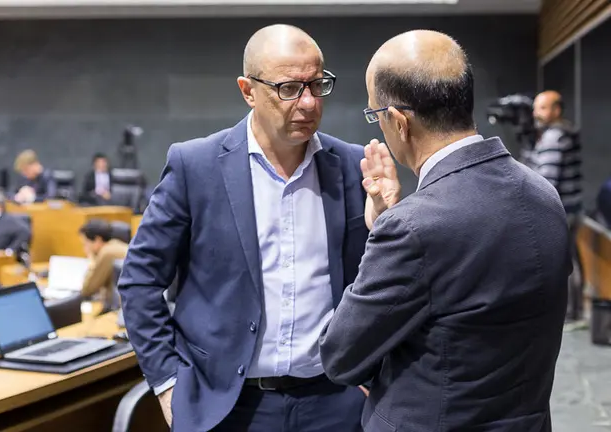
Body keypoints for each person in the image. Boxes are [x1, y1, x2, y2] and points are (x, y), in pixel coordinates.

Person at [119, 24, 392, 432]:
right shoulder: (196, 166)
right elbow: (139, 282)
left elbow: (379, 286)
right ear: (248, 90)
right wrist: (168, 383)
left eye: (317, 85)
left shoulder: (354, 166)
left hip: (335, 402)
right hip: (228, 406)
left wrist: (387, 223)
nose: (308, 102)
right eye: (289, 88)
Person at [319, 30, 569, 431]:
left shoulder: (412, 227)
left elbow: (341, 355)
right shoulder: (543, 194)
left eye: (375, 114)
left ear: (398, 122)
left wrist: (384, 227)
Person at [526, 90, 584, 323]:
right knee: (571, 259)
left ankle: (570, 315)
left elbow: (545, 180)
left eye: (541, 108)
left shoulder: (554, 137)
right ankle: (574, 312)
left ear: (556, 110)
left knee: (563, 262)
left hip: (562, 211)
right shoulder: (562, 132)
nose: (535, 113)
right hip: (572, 208)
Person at [79, 220, 128, 306]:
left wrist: (91, 260)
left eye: (85, 243)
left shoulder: (107, 253)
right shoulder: (116, 244)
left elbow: (87, 290)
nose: (84, 248)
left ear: (98, 240)